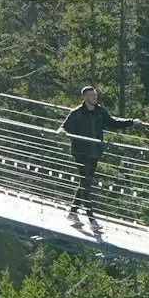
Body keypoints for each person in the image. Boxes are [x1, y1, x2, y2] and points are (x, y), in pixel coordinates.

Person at [59, 85, 135, 221]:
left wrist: (131, 122)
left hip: (95, 152)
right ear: (84, 97)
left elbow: (112, 123)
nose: (95, 97)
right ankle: (90, 216)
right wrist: (62, 131)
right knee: (86, 181)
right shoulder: (77, 113)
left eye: (95, 95)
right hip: (80, 152)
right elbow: (65, 126)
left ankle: (73, 212)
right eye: (91, 95)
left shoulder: (100, 111)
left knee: (85, 182)